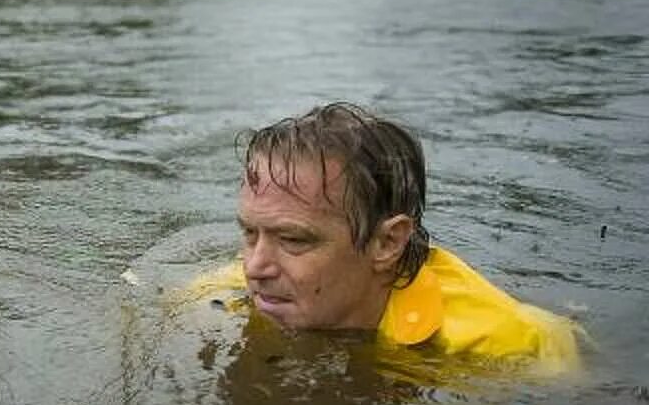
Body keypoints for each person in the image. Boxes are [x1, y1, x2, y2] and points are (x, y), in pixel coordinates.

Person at [187, 102, 581, 373]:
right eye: (250, 233)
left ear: (387, 243)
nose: (254, 267)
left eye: (293, 240)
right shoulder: (223, 293)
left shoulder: (512, 348)